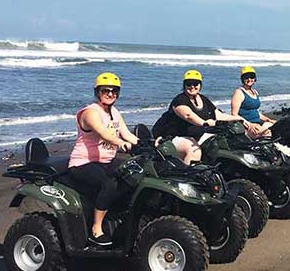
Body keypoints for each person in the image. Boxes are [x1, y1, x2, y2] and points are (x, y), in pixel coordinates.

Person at [68, 72, 139, 246]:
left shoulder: (114, 112)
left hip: (105, 162)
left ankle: (119, 216)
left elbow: (127, 134)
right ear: (97, 92)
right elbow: (103, 133)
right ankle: (96, 228)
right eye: (105, 90)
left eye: (114, 91)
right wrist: (120, 143)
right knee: (110, 183)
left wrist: (147, 144)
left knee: (134, 173)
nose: (110, 94)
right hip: (83, 163)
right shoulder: (90, 112)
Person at [152, 69, 249, 164]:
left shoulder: (203, 99)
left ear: (200, 85)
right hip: (174, 137)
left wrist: (239, 119)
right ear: (184, 85)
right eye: (189, 84)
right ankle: (189, 174)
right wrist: (205, 123)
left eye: (195, 83)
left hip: (199, 136)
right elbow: (188, 116)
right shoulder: (179, 100)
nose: (192, 86)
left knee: (224, 143)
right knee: (194, 151)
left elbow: (219, 115)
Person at [231, 66, 277, 139]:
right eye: (246, 77)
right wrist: (249, 124)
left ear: (255, 78)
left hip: (258, 123)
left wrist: (268, 119)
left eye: (251, 77)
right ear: (242, 79)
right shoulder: (239, 92)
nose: (249, 79)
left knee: (279, 128)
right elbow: (234, 114)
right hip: (246, 126)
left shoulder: (255, 92)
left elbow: (256, 112)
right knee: (268, 133)